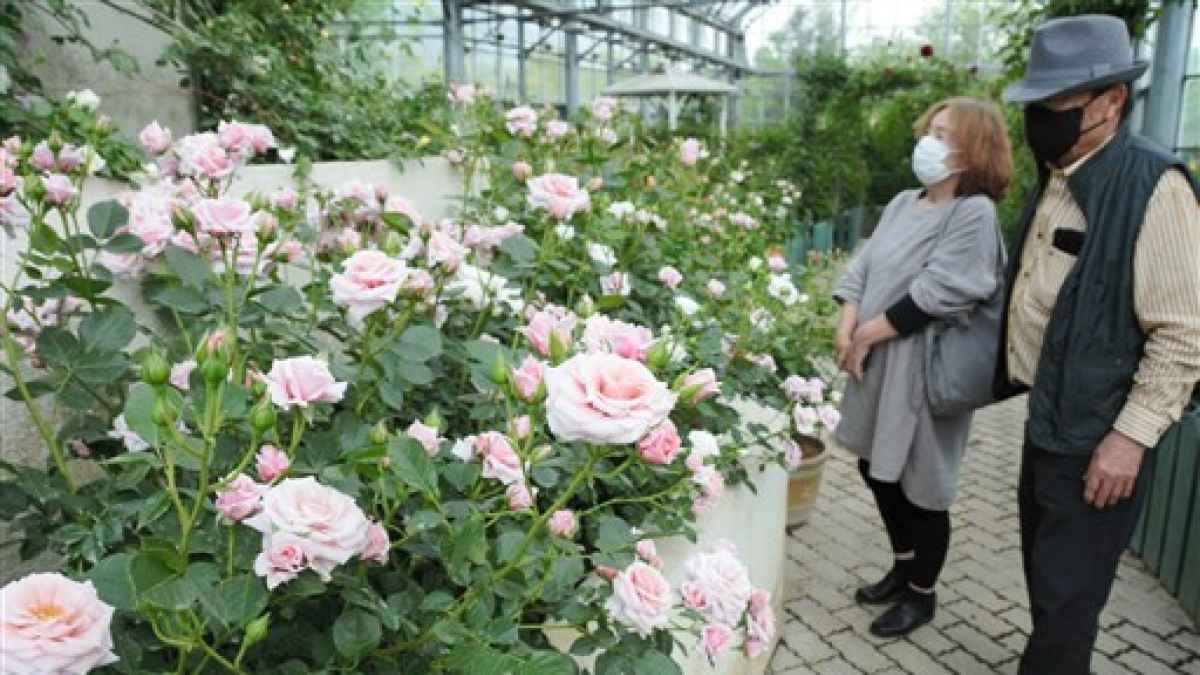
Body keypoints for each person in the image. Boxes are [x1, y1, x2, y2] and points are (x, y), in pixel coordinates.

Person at [996, 15, 1200, 674]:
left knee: (1066, 610)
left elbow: (1185, 331)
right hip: (1048, 424)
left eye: (1055, 107)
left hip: (1097, 445)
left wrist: (1131, 438)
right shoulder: (1063, 169)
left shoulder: (1152, 187)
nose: (1039, 121)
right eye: (1036, 106)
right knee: (1050, 587)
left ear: (1110, 102)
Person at [831, 97, 1012, 637]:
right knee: (873, 466)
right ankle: (902, 564)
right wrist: (846, 322)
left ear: (972, 152)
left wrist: (863, 334)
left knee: (922, 484)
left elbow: (941, 292)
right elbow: (862, 265)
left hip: (925, 370)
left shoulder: (973, 214)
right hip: (879, 364)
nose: (929, 143)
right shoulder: (901, 203)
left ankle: (922, 595)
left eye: (945, 135)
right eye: (930, 130)